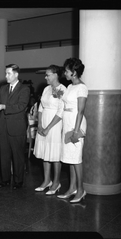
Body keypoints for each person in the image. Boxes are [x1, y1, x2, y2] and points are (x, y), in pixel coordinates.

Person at [43, 58, 88, 203]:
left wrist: (76, 131)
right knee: (70, 159)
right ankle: (72, 189)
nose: (65, 73)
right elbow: (63, 103)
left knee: (77, 159)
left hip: (76, 123)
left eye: (67, 71)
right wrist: (56, 93)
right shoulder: (69, 87)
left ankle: (80, 190)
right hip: (67, 122)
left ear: (74, 73)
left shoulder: (82, 88)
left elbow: (80, 111)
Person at [0, 64, 30, 190]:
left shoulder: (24, 89)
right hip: (3, 126)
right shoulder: (3, 88)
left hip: (17, 127)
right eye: (6, 73)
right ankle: (5, 179)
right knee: (4, 155)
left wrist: (4, 107)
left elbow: (21, 106)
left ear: (16, 74)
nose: (6, 76)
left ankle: (18, 181)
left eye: (8, 73)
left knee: (18, 155)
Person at [33, 65, 66, 195]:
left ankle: (56, 182)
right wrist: (40, 124)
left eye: (48, 75)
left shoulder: (62, 89)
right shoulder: (46, 89)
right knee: (45, 153)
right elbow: (41, 107)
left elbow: (60, 110)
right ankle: (47, 181)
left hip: (54, 124)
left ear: (56, 75)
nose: (45, 77)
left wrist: (48, 128)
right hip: (44, 122)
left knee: (54, 154)